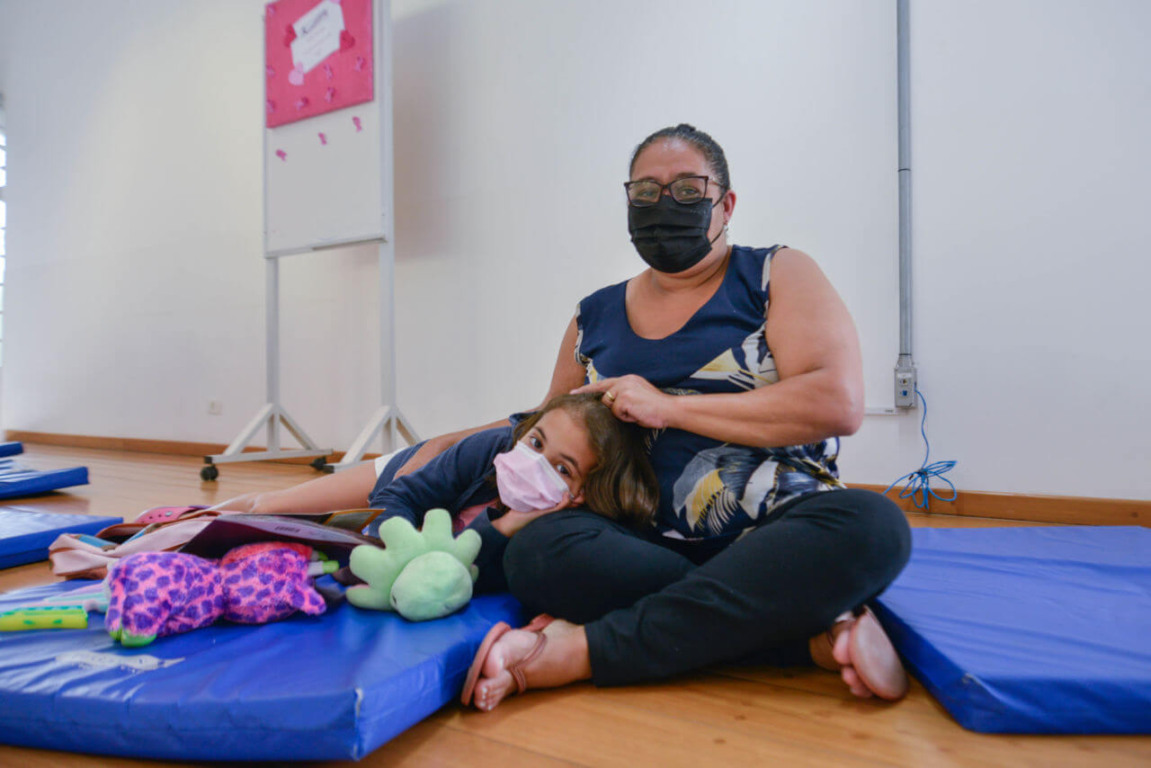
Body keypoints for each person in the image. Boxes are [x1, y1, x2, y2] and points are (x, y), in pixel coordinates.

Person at [450, 123, 913, 710]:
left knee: (871, 526)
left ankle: (581, 651)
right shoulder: (592, 317)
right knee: (536, 555)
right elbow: (546, 432)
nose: (664, 204)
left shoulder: (776, 275)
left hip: (775, 535)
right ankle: (807, 634)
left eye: (687, 189)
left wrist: (670, 408)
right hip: (637, 545)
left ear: (726, 203)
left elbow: (836, 404)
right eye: (645, 191)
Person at [215, 393, 659, 594]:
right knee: (268, 508)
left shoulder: (556, 533)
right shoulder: (496, 447)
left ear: (580, 494)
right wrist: (401, 539)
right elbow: (394, 499)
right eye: (537, 442)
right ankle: (186, 518)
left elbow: (463, 572)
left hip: (419, 502)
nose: (535, 462)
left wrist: (504, 526)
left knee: (298, 531)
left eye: (562, 467)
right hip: (405, 471)